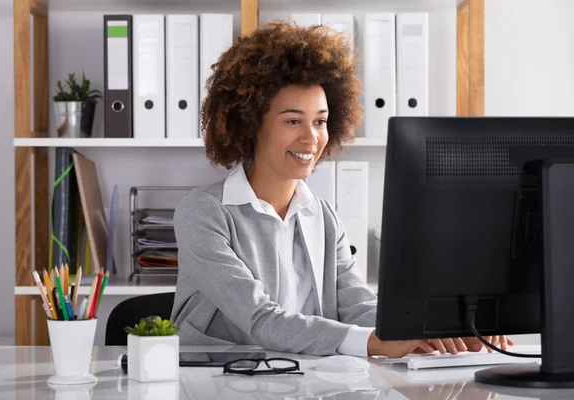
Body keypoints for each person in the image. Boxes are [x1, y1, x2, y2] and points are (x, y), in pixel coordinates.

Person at [170, 20, 513, 357]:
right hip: (218, 379)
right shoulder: (203, 213)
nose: (311, 137)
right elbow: (258, 319)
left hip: (305, 379)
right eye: (293, 120)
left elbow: (358, 306)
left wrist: (436, 332)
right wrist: (373, 343)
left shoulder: (323, 215)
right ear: (249, 124)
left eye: (320, 121)